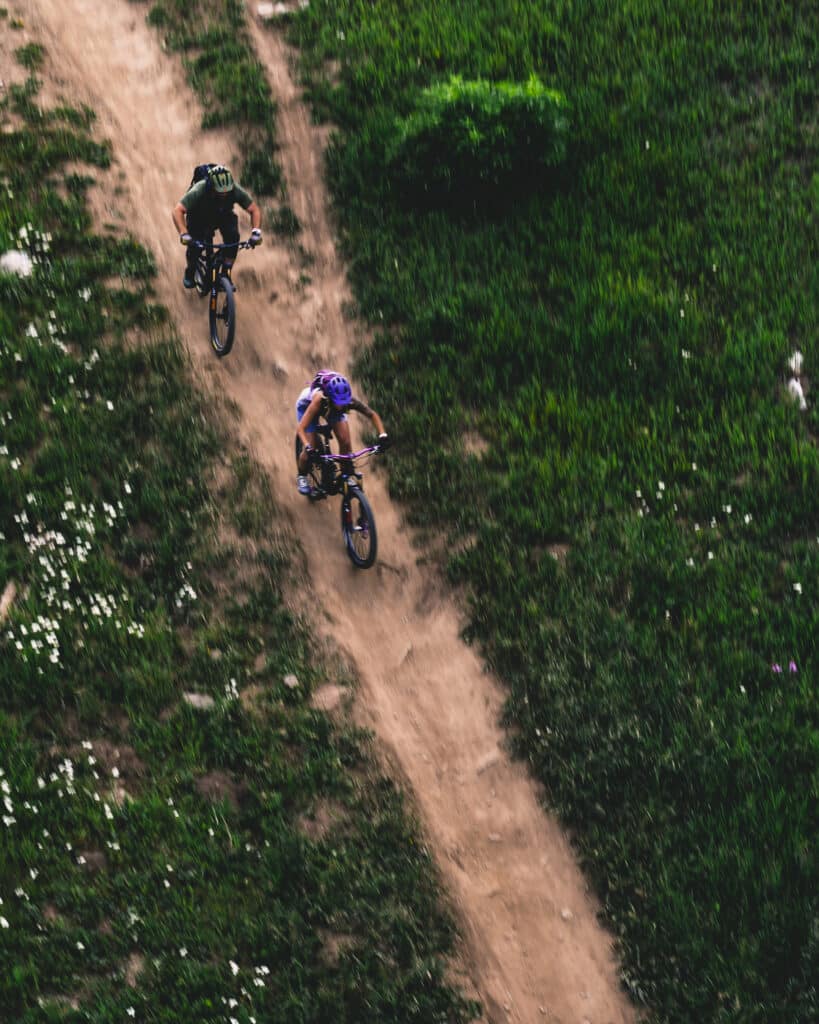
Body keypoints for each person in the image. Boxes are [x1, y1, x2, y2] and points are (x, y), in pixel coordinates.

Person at [295, 370, 390, 495]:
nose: (342, 405)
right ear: (330, 396)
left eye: (344, 403)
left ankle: (346, 474)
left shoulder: (347, 401)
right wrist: (307, 446)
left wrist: (382, 435)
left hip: (331, 408)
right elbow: (300, 429)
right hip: (307, 406)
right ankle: (302, 476)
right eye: (339, 403)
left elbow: (371, 414)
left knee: (345, 442)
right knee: (310, 448)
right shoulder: (320, 400)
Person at [171, 164, 262, 289]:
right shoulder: (200, 189)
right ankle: (190, 271)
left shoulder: (234, 189)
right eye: (220, 193)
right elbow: (178, 210)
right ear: (211, 187)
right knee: (194, 247)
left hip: (222, 215)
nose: (224, 195)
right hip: (198, 216)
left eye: (227, 192)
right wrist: (184, 233)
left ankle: (226, 273)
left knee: (233, 239)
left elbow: (254, 210)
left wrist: (256, 232)